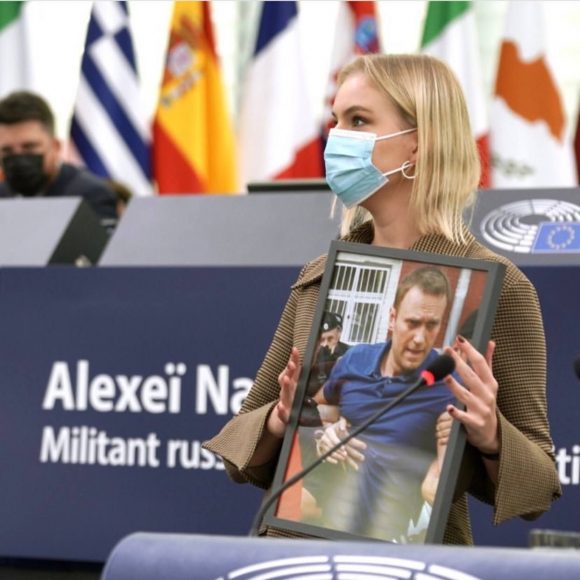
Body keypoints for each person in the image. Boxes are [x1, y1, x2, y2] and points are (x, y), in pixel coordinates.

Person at [203, 53, 561, 544]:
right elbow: (241, 453)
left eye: (358, 121)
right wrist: (282, 417)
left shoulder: (502, 287)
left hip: (412, 561)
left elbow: (538, 488)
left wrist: (490, 433)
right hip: (293, 557)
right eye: (335, 120)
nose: (336, 138)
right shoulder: (319, 276)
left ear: (420, 143)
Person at [309, 266, 455, 541]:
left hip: (385, 536)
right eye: (412, 323)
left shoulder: (449, 383)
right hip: (327, 518)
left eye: (431, 325)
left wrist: (437, 476)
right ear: (392, 318)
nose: (420, 338)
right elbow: (316, 408)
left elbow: (445, 477)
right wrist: (326, 432)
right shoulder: (355, 359)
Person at [0, 91, 117, 221]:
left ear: (56, 146)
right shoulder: (2, 197)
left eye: (29, 147)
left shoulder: (89, 196)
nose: (18, 156)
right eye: (7, 150)